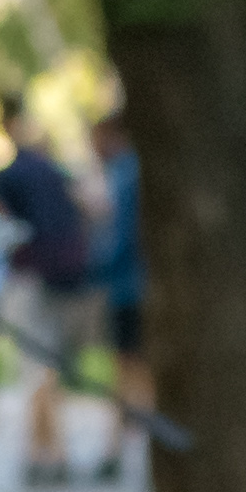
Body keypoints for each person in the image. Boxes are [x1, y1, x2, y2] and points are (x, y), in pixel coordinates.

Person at [0, 95, 98, 488]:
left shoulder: (11, 175)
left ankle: (43, 451)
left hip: (31, 277)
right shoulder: (53, 170)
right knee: (46, 367)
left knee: (36, 367)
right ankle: (48, 448)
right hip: (64, 278)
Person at [90, 104, 154, 460]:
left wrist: (92, 267)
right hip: (131, 284)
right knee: (131, 367)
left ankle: (126, 443)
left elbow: (121, 236)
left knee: (133, 368)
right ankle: (119, 442)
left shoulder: (125, 173)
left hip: (129, 285)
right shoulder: (130, 170)